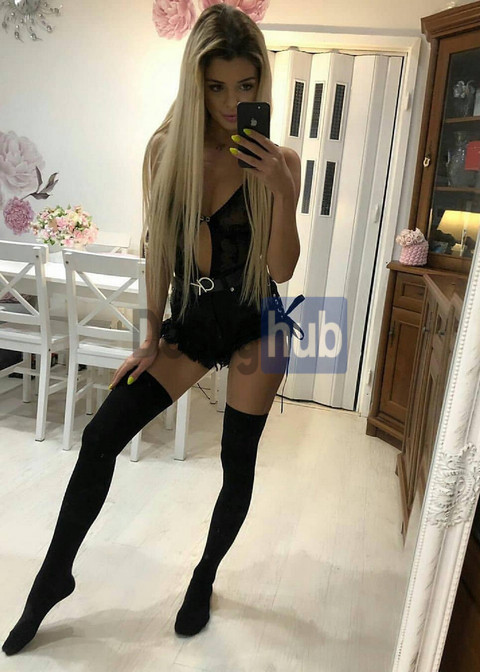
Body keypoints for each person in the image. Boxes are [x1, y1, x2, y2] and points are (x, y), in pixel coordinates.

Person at [2, 3, 303, 656]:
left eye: (245, 86)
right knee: (100, 435)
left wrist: (282, 191)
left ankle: (204, 575)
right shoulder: (166, 150)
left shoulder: (280, 161)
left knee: (236, 462)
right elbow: (157, 250)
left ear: (261, 83)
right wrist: (148, 338)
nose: (232, 103)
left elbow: (282, 267)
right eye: (216, 87)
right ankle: (54, 576)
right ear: (196, 84)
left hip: (257, 324)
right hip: (191, 325)